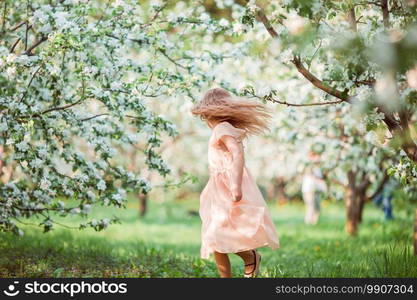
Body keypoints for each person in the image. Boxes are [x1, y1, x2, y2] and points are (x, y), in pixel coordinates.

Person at [191, 88, 279, 278]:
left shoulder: (222, 128)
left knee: (217, 234)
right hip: (218, 188)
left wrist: (235, 185)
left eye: (205, 116)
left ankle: (250, 257)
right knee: (214, 238)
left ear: (210, 112)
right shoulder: (220, 129)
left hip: (227, 186)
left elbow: (237, 154)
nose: (205, 120)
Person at [302, 152, 327, 225]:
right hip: (309, 190)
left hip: (317, 190)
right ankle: (308, 223)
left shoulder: (318, 168)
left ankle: (314, 223)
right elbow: (310, 175)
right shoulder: (308, 166)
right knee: (310, 207)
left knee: (317, 208)